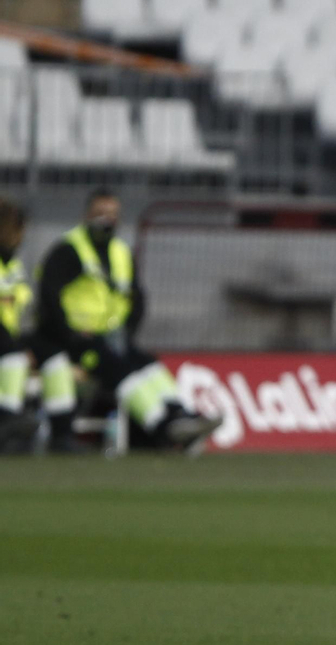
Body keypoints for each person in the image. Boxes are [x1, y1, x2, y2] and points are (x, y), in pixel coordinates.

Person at [32, 188, 220, 454]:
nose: (106, 220)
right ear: (86, 215)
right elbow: (49, 296)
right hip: (79, 341)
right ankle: (163, 427)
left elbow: (137, 298)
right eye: (100, 213)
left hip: (113, 336)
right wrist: (70, 334)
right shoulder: (69, 250)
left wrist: (127, 331)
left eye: (112, 214)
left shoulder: (120, 252)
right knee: (120, 370)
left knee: (147, 363)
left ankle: (182, 415)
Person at [0, 195, 41, 450]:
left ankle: (8, 421)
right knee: (14, 355)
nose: (22, 237)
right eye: (19, 230)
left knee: (18, 354)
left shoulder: (13, 265)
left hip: (7, 338)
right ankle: (7, 418)